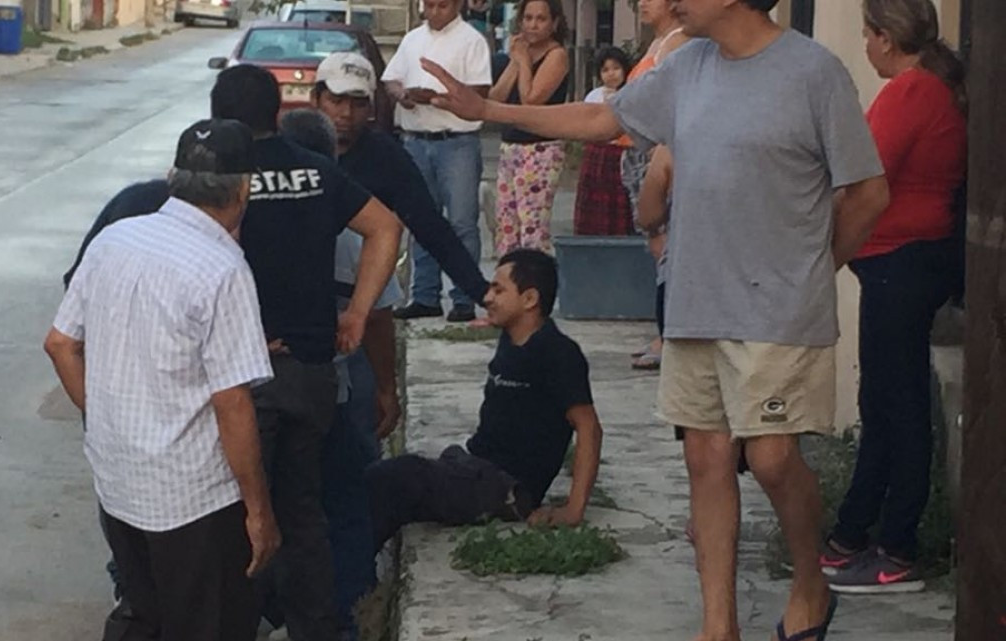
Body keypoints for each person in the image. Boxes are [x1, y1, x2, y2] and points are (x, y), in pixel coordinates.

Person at [419, 0, 893, 639]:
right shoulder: (685, 66)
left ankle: (810, 580)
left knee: (775, 458)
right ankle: (717, 626)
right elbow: (598, 116)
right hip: (695, 300)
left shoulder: (814, 72)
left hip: (779, 311)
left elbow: (868, 193)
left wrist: (817, 272)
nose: (665, 3)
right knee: (706, 459)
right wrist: (489, 112)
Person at [64, 65, 402, 641]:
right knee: (301, 514)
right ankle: (318, 630)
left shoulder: (185, 193)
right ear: (278, 112)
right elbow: (387, 228)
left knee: (223, 530)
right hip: (306, 371)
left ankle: (172, 609)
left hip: (235, 388)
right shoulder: (316, 173)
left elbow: (71, 330)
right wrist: (355, 314)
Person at [44, 119, 281, 641]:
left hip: (119, 484)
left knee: (142, 615)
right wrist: (259, 510)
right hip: (194, 500)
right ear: (245, 188)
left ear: (173, 177)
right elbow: (233, 402)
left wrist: (104, 425)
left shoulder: (115, 238)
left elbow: (60, 344)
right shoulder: (223, 268)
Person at [823, 0, 967, 596]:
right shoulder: (926, 88)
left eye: (866, 34)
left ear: (885, 38)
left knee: (898, 405)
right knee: (882, 399)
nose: (864, 45)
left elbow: (864, 173)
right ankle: (854, 531)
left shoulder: (912, 92)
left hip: (903, 259)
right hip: (899, 259)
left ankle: (898, 546)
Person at [367, 249, 604, 547]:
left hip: (506, 486)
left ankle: (346, 583)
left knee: (397, 477)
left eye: (499, 289)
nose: (488, 297)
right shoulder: (510, 337)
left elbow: (589, 427)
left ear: (530, 299)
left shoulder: (557, 353)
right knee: (377, 483)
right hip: (473, 466)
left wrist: (573, 509)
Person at [278, 107, 404, 640]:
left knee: (283, 505)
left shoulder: (258, 216)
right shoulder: (355, 221)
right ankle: (350, 607)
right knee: (346, 498)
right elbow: (377, 317)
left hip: (272, 383)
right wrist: (386, 386)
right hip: (339, 376)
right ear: (331, 158)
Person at [314, 52, 490, 310]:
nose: (346, 113)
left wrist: (482, 293)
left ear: (371, 107)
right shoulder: (295, 147)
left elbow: (431, 228)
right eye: (336, 100)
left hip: (366, 288)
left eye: (358, 103)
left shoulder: (386, 156)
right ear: (315, 100)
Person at [383, 0, 492, 323]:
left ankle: (464, 297)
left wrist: (433, 97)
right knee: (421, 219)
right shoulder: (412, 38)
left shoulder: (471, 40)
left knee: (461, 222)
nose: (434, 13)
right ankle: (425, 294)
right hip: (417, 138)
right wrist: (402, 95)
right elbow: (391, 78)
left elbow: (480, 89)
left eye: (442, 6)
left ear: (456, 5)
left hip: (455, 140)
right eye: (429, 6)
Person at [620, 0, 688, 371]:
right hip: (635, 154)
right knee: (655, 246)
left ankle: (669, 334)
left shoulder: (678, 43)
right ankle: (664, 332)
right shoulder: (657, 41)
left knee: (664, 248)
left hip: (655, 157)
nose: (643, 3)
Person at [489, 0, 570, 255]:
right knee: (507, 224)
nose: (533, 25)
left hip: (540, 149)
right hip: (511, 145)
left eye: (541, 19)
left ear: (554, 23)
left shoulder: (556, 55)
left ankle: (534, 281)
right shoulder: (519, 54)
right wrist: (516, 61)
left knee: (531, 226)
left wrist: (523, 62)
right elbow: (496, 97)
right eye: (528, 18)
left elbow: (531, 100)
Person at [573, 45, 634, 237]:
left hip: (624, 154)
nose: (611, 74)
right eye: (605, 70)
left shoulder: (634, 93)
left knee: (621, 202)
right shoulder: (594, 96)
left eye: (616, 68)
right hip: (597, 154)